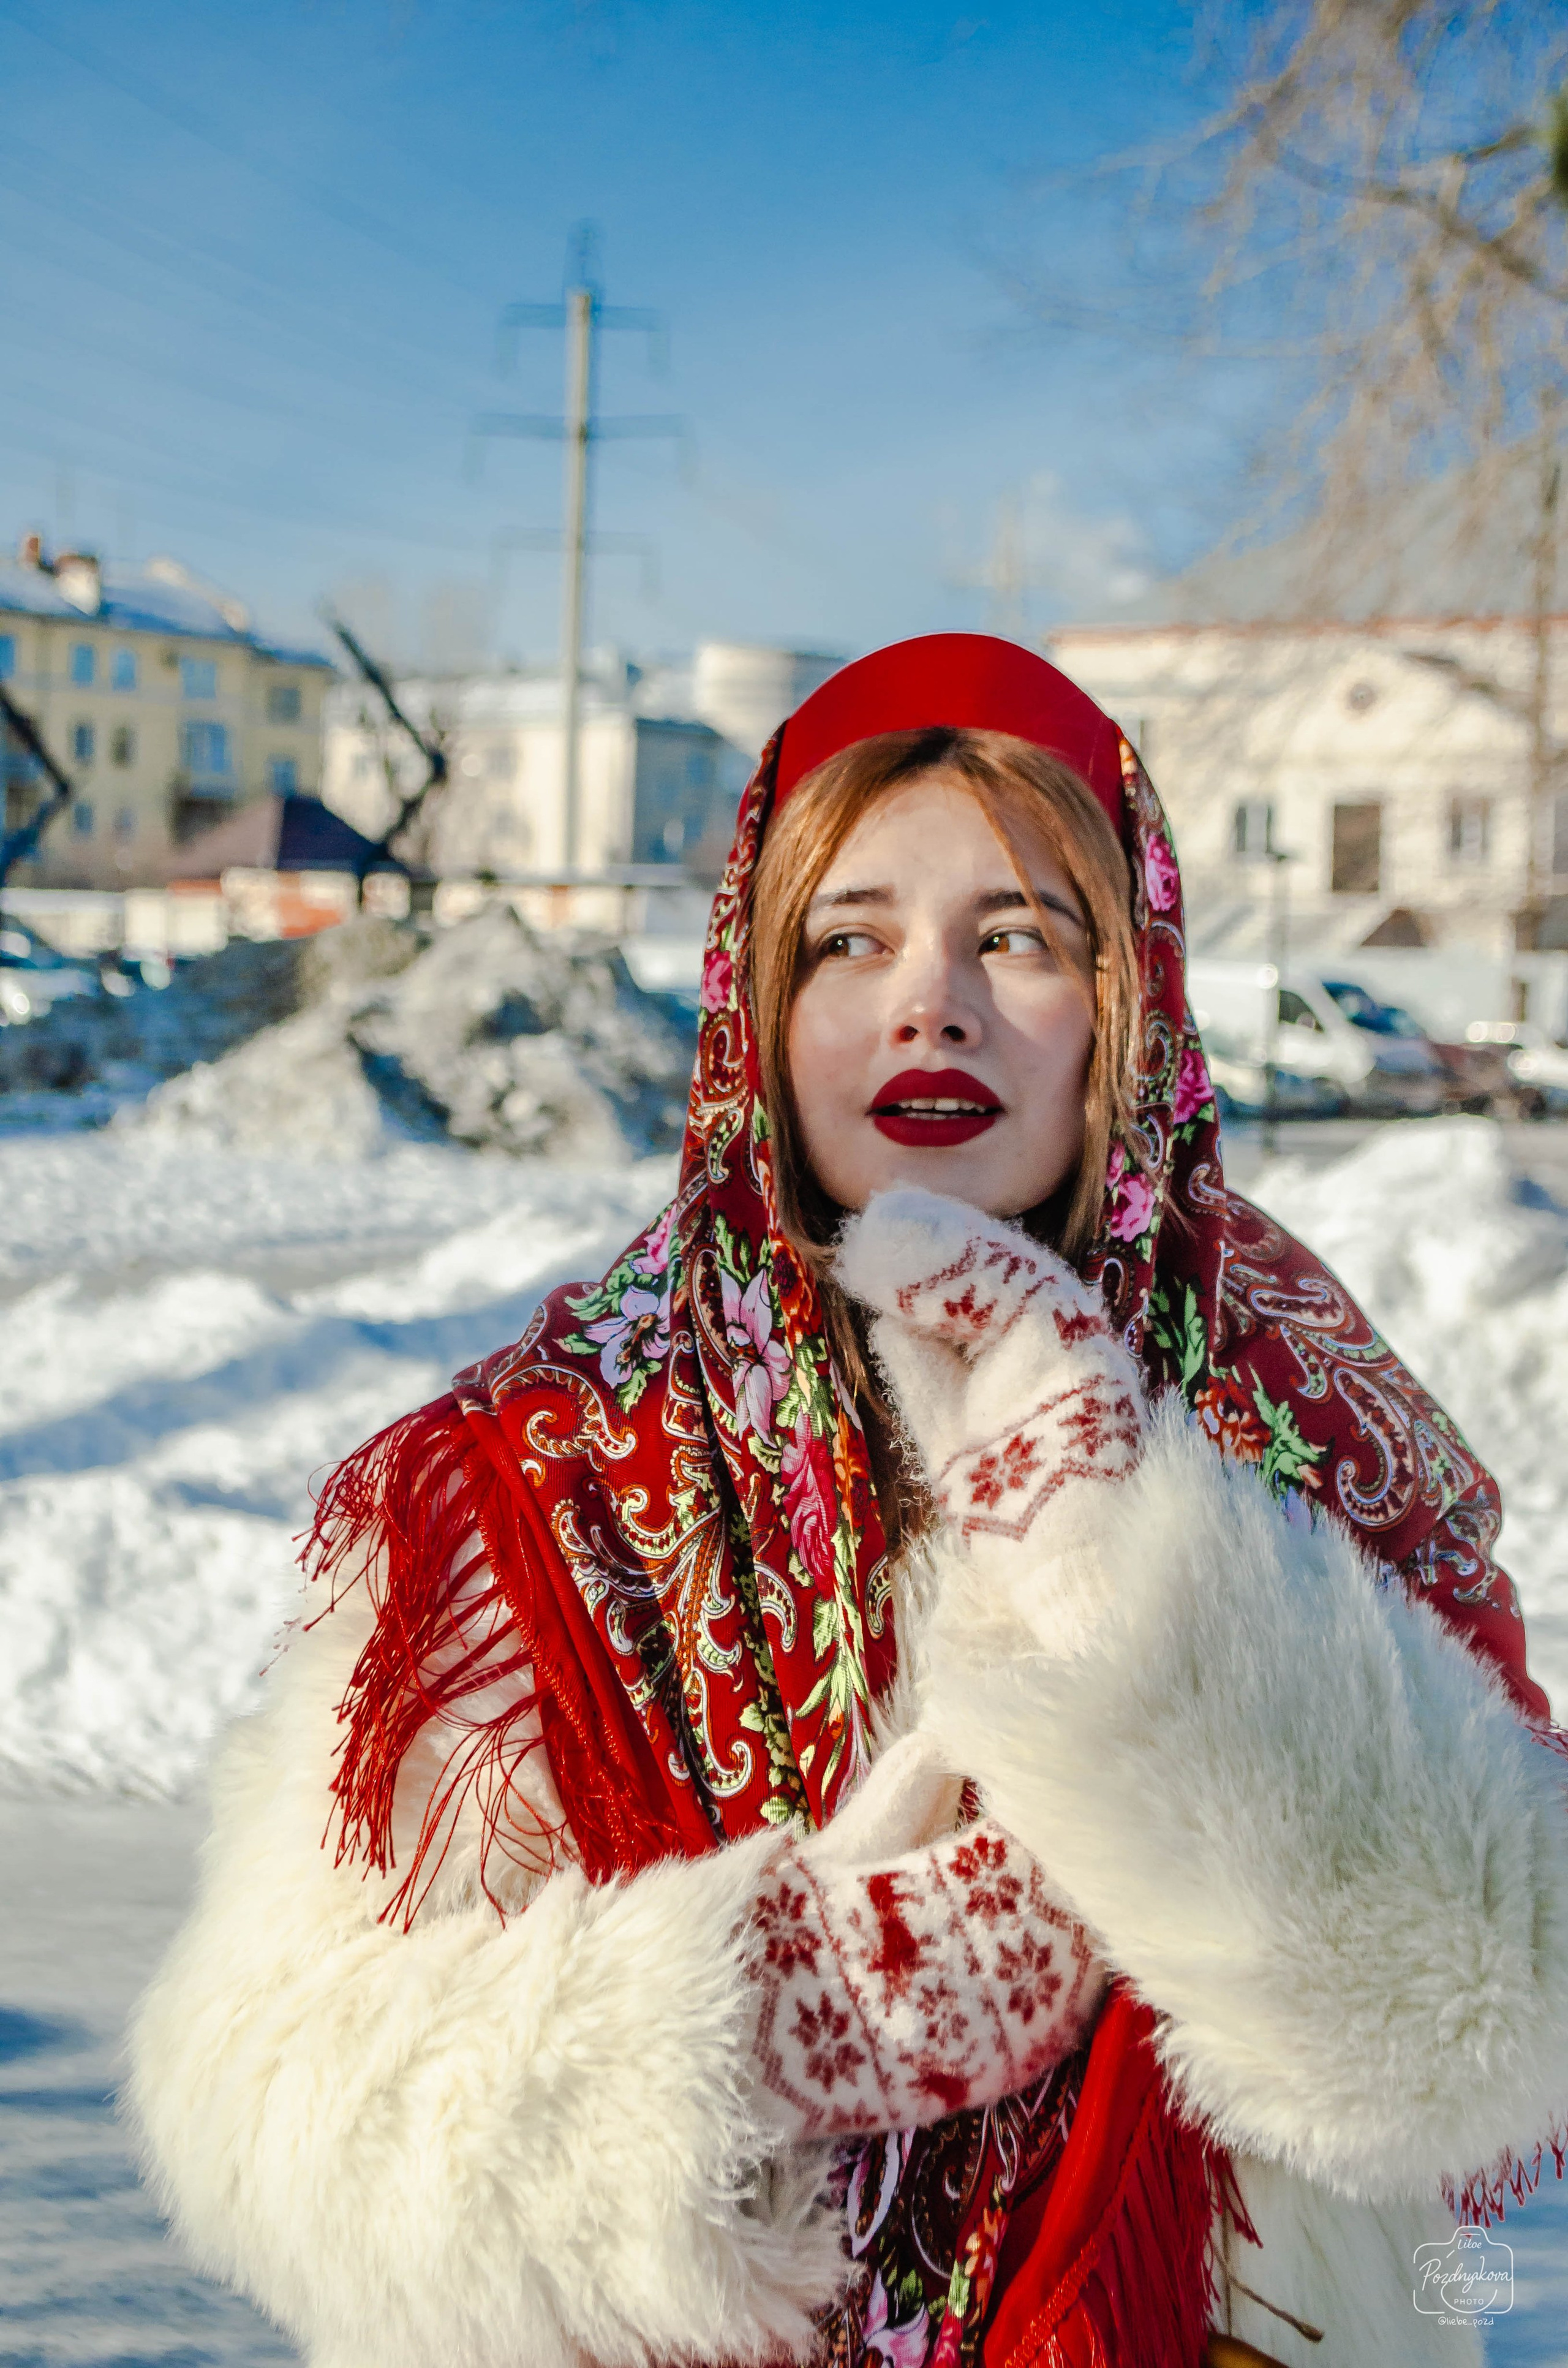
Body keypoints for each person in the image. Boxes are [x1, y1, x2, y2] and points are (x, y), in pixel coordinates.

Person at [129, 635, 1568, 2368]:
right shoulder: (537, 1473)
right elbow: (264, 2102)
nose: (930, 1001)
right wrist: (763, 2017)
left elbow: (1502, 2025)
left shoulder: (1302, 1424)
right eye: (849, 937)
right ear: (760, 999)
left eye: (1020, 935)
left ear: (1132, 993)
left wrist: (1160, 1575)